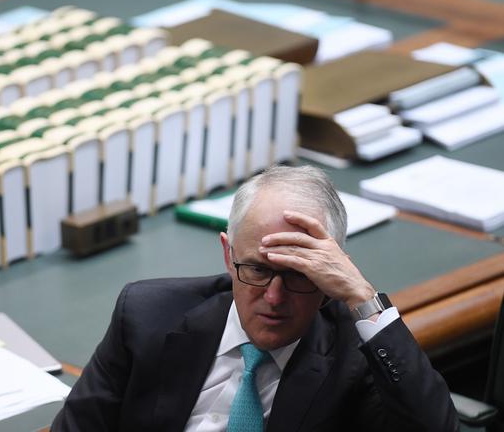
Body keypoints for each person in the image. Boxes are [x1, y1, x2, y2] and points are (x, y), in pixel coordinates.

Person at [51, 165, 458, 432]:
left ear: (332, 272)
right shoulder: (147, 315)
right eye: (258, 270)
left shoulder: (356, 354)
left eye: (299, 274)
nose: (274, 297)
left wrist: (362, 296)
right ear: (228, 255)